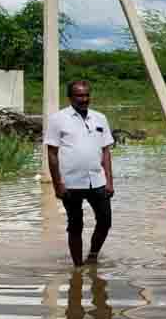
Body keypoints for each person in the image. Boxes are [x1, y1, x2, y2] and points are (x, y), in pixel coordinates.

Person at [45, 80, 114, 267]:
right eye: (79, 96)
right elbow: (52, 154)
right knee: (75, 226)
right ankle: (77, 268)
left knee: (105, 221)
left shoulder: (100, 118)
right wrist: (57, 184)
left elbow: (106, 151)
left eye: (86, 95)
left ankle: (92, 256)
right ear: (70, 97)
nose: (84, 99)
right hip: (71, 183)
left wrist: (109, 181)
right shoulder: (57, 119)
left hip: (97, 180)